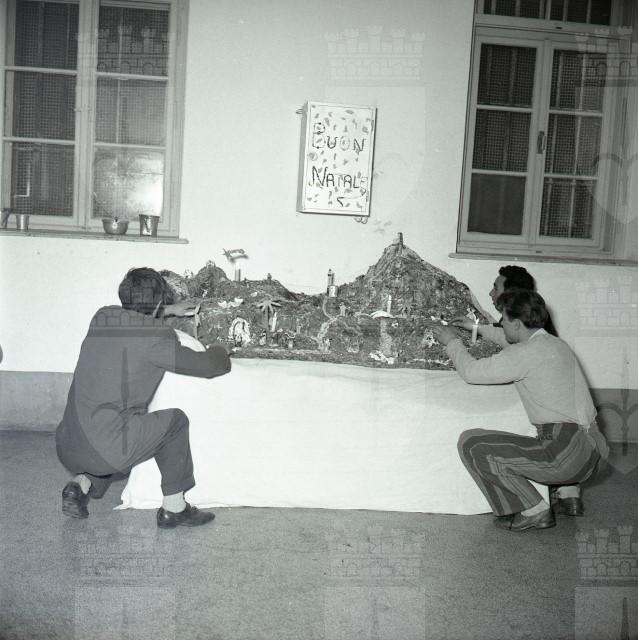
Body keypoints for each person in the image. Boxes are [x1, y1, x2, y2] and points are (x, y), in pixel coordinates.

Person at [56, 267, 231, 528]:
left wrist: (168, 310)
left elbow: (134, 319)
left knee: (109, 425)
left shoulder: (102, 316)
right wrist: (221, 349)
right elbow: (208, 367)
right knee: (175, 422)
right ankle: (175, 508)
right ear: (158, 302)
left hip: (67, 445)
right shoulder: (158, 337)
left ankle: (79, 485)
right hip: (104, 451)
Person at [433, 289, 609, 532]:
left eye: (503, 320)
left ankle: (534, 510)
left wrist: (452, 342)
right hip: (595, 452)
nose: (501, 324)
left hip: (566, 454)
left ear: (516, 323)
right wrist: (477, 328)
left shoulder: (524, 353)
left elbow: (472, 372)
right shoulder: (555, 344)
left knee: (473, 444)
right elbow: (509, 339)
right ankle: (568, 496)